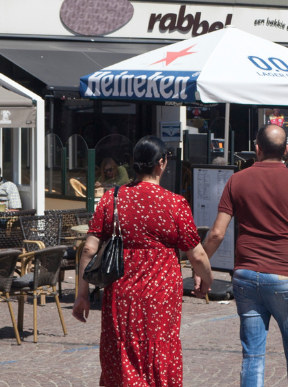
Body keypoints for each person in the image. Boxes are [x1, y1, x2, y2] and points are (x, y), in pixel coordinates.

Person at [202, 124, 288, 387]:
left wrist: (200, 267)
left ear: (257, 149)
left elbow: (216, 233)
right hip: (286, 275)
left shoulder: (237, 180)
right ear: (286, 151)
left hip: (247, 275)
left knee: (252, 355)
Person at [73, 136, 213, 387]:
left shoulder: (111, 199)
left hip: (121, 294)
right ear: (161, 163)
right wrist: (207, 279)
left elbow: (88, 250)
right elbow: (198, 255)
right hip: (161, 297)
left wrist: (82, 294)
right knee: (159, 348)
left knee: (121, 349)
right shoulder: (175, 204)